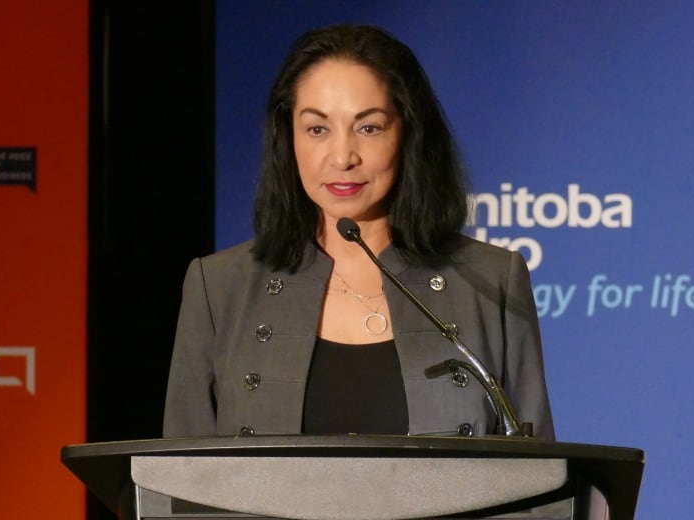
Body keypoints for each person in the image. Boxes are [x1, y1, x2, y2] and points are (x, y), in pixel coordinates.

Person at [163, 24, 554, 440]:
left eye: (369, 128)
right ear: (287, 137)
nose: (342, 156)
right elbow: (177, 482)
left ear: (408, 135)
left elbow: (541, 481)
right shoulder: (219, 287)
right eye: (317, 129)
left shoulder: (492, 280)